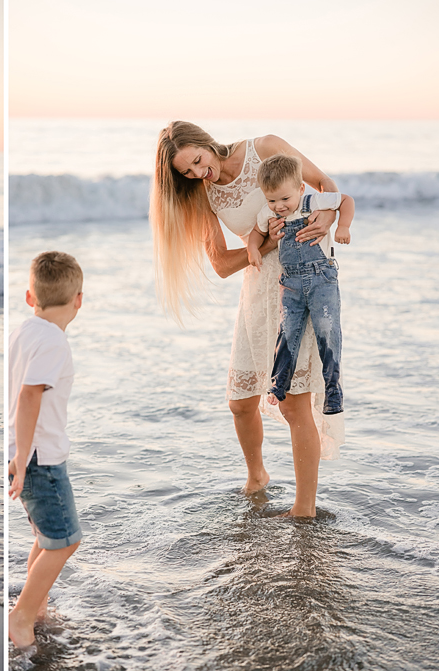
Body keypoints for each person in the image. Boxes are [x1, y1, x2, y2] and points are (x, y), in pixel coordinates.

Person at [151, 121, 343, 518]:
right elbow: (221, 264)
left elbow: (325, 185)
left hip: (301, 284)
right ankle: (257, 477)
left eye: (198, 161)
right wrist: (267, 242)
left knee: (293, 403)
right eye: (187, 172)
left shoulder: (266, 146)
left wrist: (328, 220)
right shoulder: (204, 194)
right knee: (240, 402)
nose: (199, 173)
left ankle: (303, 509)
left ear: (206, 142)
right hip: (257, 293)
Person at [8, 251, 84, 648]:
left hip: (26, 452)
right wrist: (23, 461)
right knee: (67, 539)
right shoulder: (54, 342)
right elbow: (28, 396)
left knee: (45, 534)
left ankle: (35, 608)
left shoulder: (23, 331)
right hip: (38, 456)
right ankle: (21, 616)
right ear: (78, 300)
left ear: (29, 296)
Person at [247, 155, 354, 413]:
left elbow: (346, 200)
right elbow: (257, 232)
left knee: (327, 331)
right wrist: (252, 248)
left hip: (321, 279)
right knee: (287, 332)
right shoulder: (268, 212)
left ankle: (333, 390)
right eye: (272, 200)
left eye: (285, 199)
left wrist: (343, 226)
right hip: (291, 283)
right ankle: (278, 383)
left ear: (300, 189)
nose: (279, 206)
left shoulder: (314, 201)